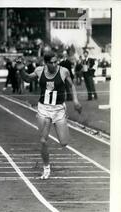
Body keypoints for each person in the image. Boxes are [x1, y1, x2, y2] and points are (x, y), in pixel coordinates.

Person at [15, 51, 82, 179]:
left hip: (58, 109)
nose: (54, 64)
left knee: (64, 142)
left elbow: (71, 85)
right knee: (43, 140)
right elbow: (28, 78)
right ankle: (46, 168)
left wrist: (75, 101)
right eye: (51, 62)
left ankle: (62, 125)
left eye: (56, 61)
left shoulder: (63, 71)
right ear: (45, 63)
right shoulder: (40, 70)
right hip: (44, 109)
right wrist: (21, 70)